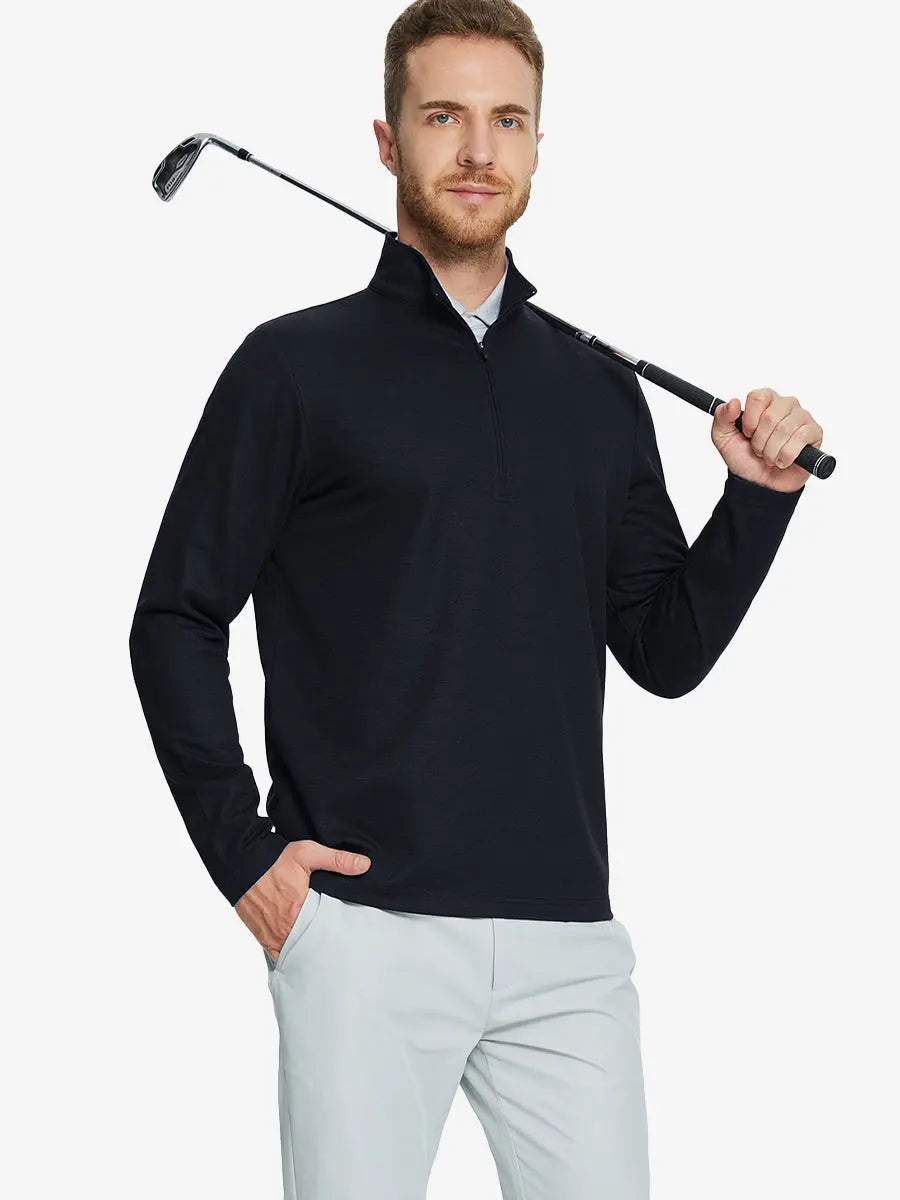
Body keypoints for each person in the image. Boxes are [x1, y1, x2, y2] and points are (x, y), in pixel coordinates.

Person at [128, 2, 823, 1196]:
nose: (477, 151)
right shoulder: (292, 368)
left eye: (507, 121)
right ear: (388, 139)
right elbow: (176, 618)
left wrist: (756, 500)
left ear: (539, 145)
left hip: (570, 947)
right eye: (444, 116)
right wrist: (245, 858)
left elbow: (661, 651)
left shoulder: (596, 391)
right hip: (362, 935)